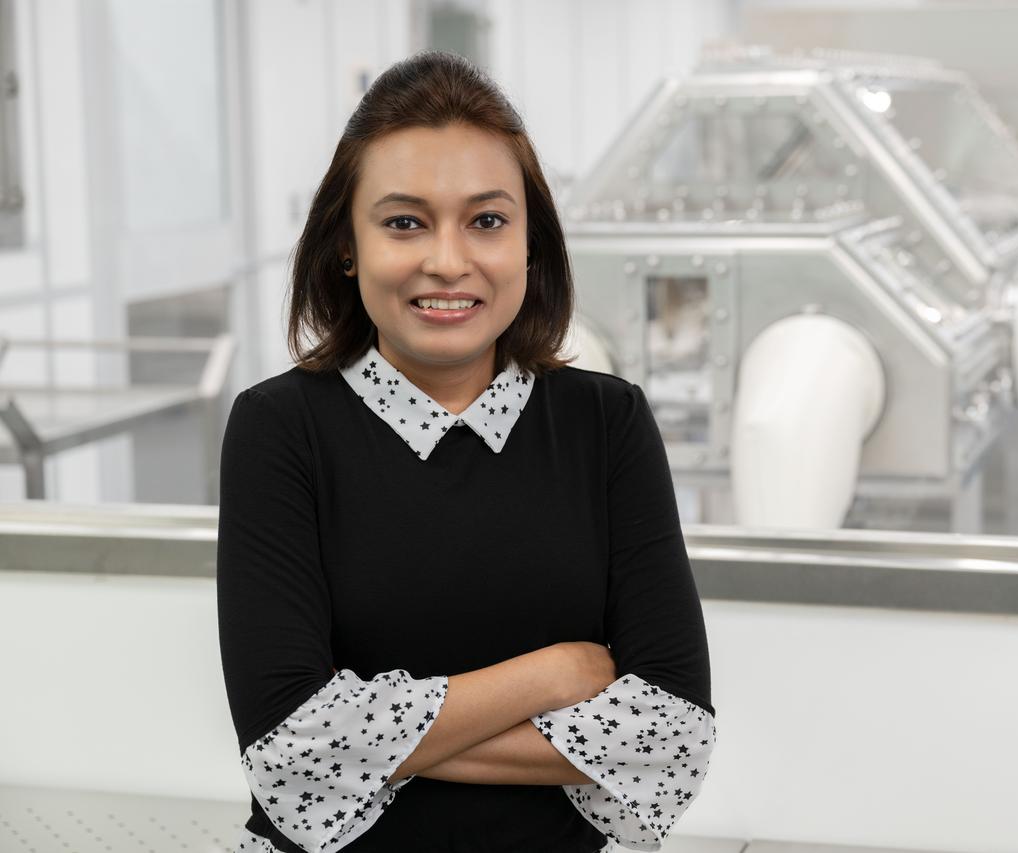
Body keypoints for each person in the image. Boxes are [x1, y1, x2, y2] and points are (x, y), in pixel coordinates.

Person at [216, 51, 716, 853]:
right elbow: (292, 755)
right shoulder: (279, 428)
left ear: (530, 245)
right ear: (347, 245)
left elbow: (672, 741)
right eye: (404, 222)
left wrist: (370, 746)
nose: (448, 261)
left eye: (486, 221)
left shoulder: (607, 422)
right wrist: (552, 675)